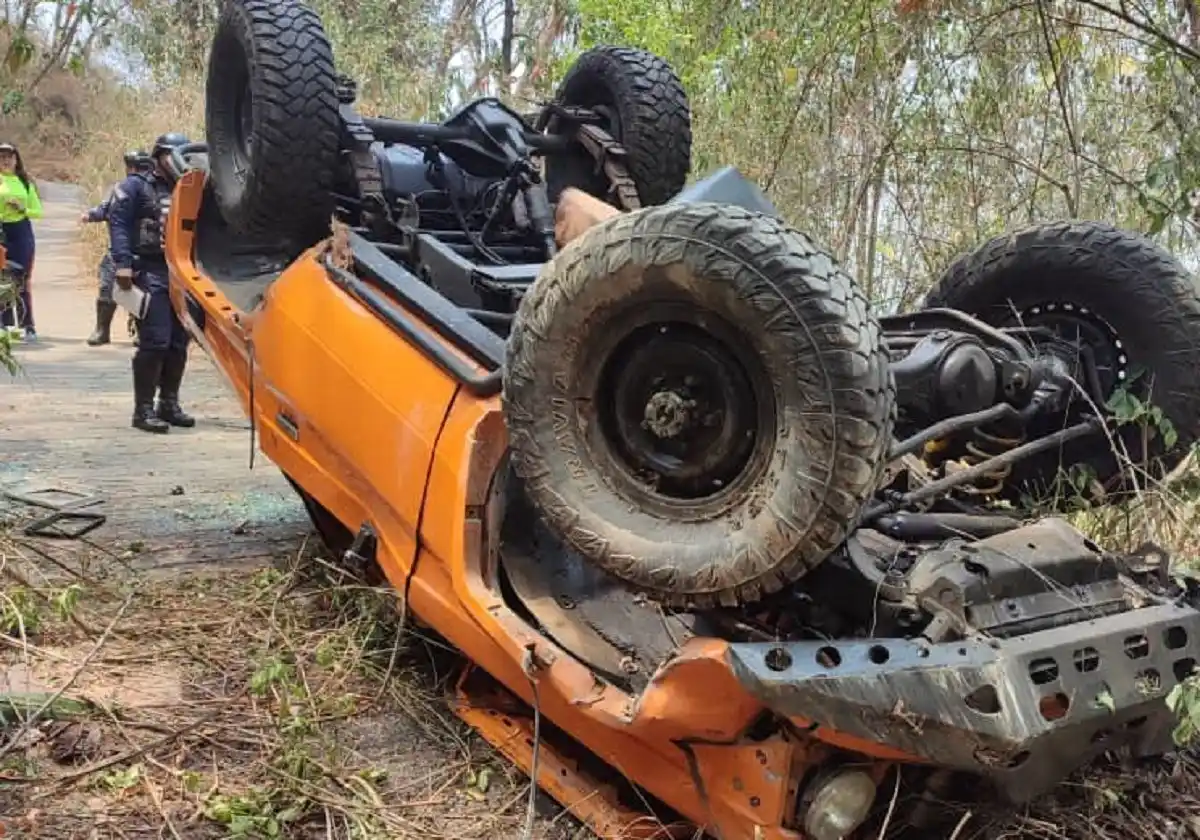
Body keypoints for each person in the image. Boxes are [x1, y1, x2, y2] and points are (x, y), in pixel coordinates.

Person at [109, 132, 194, 434]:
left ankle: (168, 404)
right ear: (159, 157)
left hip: (182, 274)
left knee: (178, 342)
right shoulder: (136, 186)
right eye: (173, 155)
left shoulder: (191, 188)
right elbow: (117, 224)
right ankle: (142, 410)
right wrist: (123, 264)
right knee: (155, 340)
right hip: (149, 270)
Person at [81, 150, 152, 346]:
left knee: (142, 292)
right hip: (119, 249)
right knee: (107, 287)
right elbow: (106, 208)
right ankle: (102, 330)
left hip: (143, 248)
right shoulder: (120, 188)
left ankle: (140, 332)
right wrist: (91, 215)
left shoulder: (152, 189)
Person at [0, 142, 42, 342]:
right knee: (2, 279)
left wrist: (22, 208)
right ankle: (4, 324)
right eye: (2, 157)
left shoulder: (25, 182)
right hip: (2, 232)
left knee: (22, 279)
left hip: (22, 233)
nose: (6, 160)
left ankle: (27, 325)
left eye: (10, 156)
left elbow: (38, 211)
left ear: (17, 160)